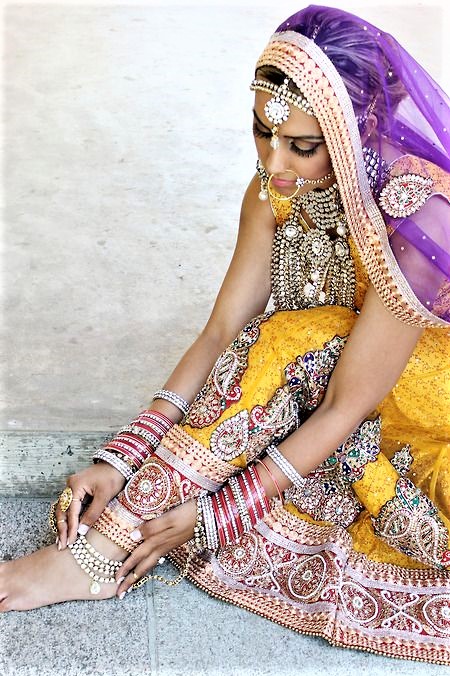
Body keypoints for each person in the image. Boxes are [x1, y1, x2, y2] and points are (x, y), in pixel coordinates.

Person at [1, 4, 449, 665]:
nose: (276, 162)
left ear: (359, 132)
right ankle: (116, 531)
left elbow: (344, 405)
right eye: (264, 133)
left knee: (297, 336)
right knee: (273, 340)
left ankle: (100, 557)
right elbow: (218, 335)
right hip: (344, 377)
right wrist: (119, 460)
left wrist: (218, 515)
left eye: (303, 145)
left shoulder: (425, 213)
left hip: (428, 406)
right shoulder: (276, 187)